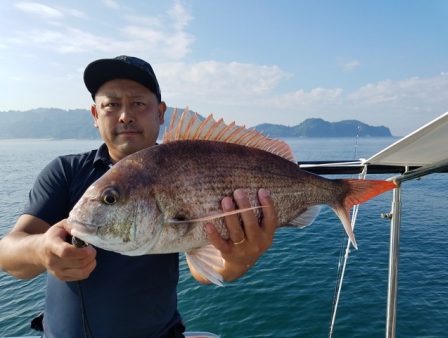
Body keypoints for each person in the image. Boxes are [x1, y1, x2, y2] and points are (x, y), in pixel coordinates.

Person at [0, 55, 278, 338]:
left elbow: (204, 270)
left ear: (160, 113)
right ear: (96, 115)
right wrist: (40, 250)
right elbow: (8, 254)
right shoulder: (66, 172)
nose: (125, 115)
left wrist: (239, 259)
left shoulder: (178, 166)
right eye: (111, 104)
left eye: (138, 103)